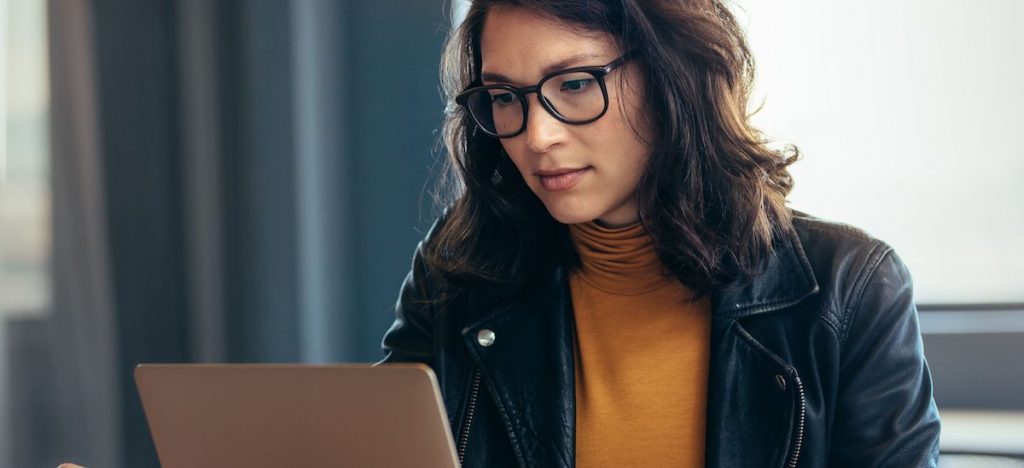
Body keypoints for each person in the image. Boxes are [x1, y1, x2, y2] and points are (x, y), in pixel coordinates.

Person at [378, 0, 941, 467]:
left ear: (673, 77)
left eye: (574, 84)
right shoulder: (460, 270)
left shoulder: (850, 284)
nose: (537, 136)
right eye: (504, 98)